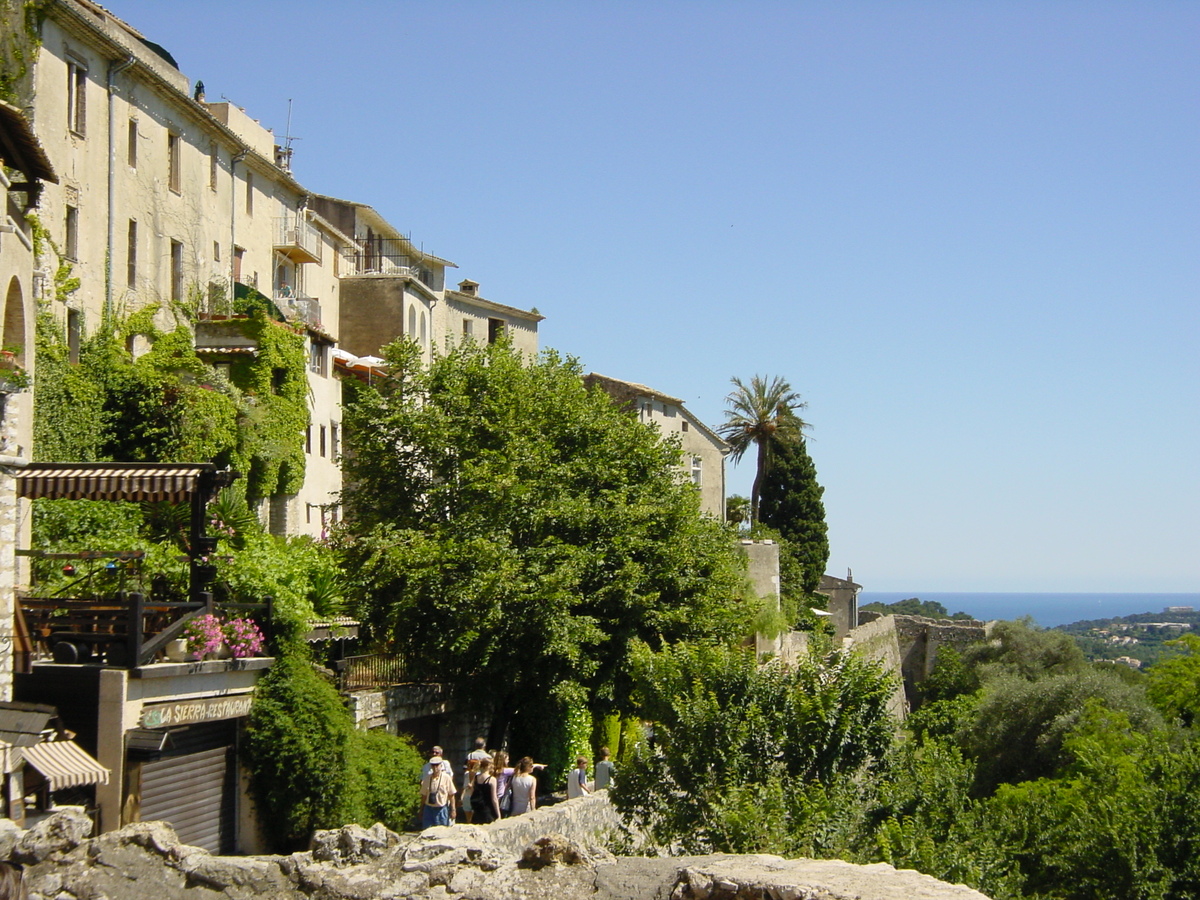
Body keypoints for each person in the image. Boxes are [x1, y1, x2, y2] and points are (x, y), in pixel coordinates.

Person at [420, 756, 456, 828]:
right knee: (427, 830)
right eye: (433, 765)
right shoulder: (427, 779)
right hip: (429, 809)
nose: (435, 767)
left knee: (441, 831)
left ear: (441, 765)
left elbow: (451, 795)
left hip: (441, 809)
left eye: (437, 765)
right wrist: (421, 809)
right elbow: (424, 795)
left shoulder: (446, 778)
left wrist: (453, 810)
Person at [471, 757, 501, 824]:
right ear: (488, 766)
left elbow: (472, 792)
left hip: (478, 810)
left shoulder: (476, 777)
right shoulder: (492, 779)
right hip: (488, 809)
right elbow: (494, 799)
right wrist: (498, 814)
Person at [493, 750, 515, 816]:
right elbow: (520, 769)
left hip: (494, 797)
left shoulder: (493, 770)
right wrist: (536, 765)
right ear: (503, 760)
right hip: (502, 798)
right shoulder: (505, 771)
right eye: (507, 759)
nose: (508, 761)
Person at [460, 757, 479, 823]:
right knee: (470, 819)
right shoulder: (469, 774)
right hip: (470, 797)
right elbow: (464, 787)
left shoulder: (475, 775)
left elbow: (465, 787)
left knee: (471, 819)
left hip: (470, 796)